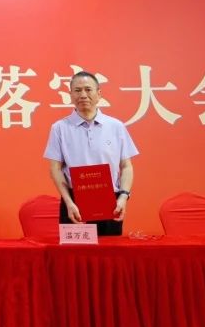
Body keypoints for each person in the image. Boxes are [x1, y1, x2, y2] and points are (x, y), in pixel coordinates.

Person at [44, 70, 138, 236]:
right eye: (77, 90)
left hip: (110, 201)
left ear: (99, 94)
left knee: (109, 250)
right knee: (75, 252)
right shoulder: (59, 128)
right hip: (74, 202)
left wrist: (123, 197)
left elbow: (126, 166)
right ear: (70, 95)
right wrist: (68, 202)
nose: (83, 95)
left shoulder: (116, 126)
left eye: (88, 89)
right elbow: (55, 169)